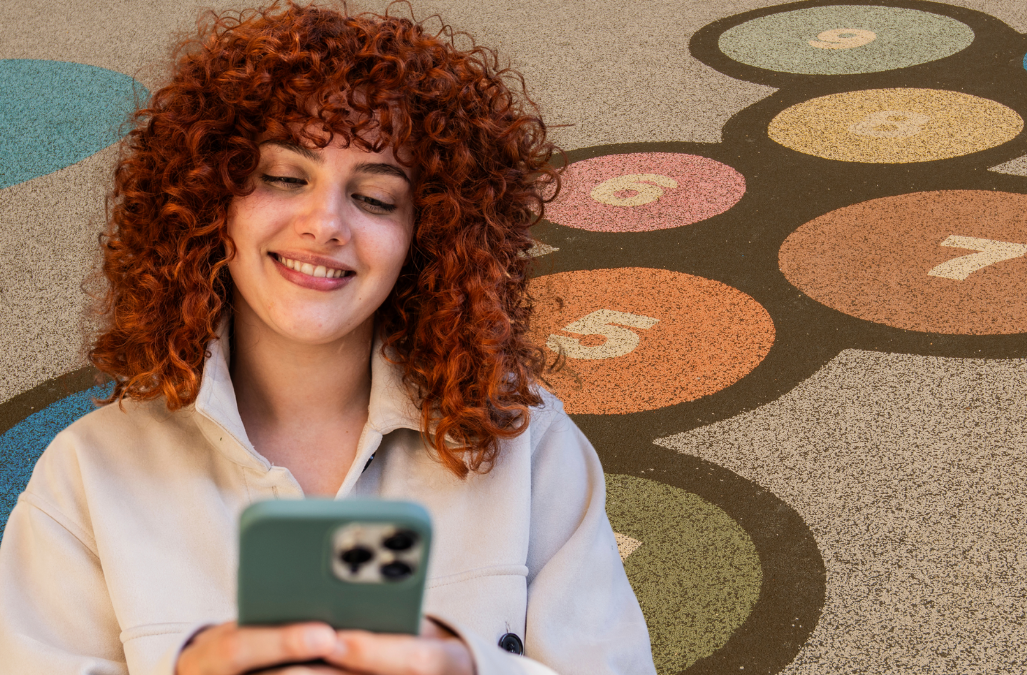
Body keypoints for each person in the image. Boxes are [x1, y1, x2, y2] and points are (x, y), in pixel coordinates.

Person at [0, 3, 655, 674]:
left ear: (427, 238)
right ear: (208, 198)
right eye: (284, 178)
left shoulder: (527, 446)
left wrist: (469, 668)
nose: (326, 223)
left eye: (376, 198)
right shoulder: (88, 475)